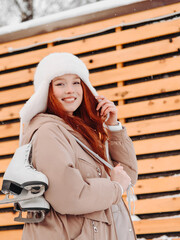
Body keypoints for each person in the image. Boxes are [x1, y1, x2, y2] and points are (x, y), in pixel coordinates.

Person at [19, 52, 138, 240]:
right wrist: (114, 187)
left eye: (76, 82)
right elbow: (70, 196)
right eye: (60, 84)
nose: (70, 90)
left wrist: (113, 127)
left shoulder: (80, 133)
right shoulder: (48, 132)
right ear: (46, 91)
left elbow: (127, 176)